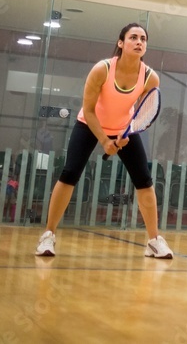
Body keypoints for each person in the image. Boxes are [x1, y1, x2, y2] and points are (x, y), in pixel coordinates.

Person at [35, 23, 173, 259]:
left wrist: (124, 135)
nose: (139, 42)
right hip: (89, 125)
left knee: (144, 181)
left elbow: (140, 114)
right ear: (121, 43)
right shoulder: (102, 69)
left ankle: (154, 241)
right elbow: (88, 110)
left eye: (143, 39)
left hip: (124, 130)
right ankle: (48, 235)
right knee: (69, 174)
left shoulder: (151, 78)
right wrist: (104, 140)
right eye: (133, 38)